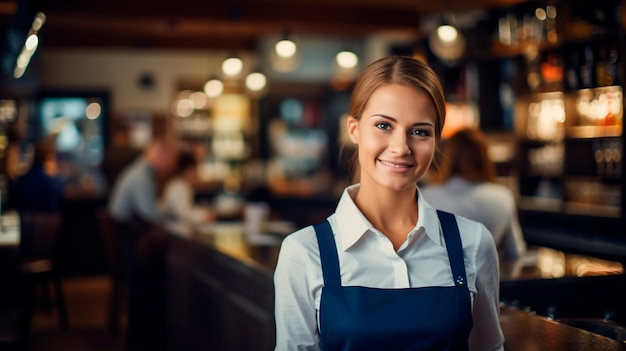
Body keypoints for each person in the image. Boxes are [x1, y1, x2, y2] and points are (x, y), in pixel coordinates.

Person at [273, 56, 504, 350]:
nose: (401, 147)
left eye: (420, 131)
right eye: (384, 125)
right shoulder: (304, 253)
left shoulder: (473, 242)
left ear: (436, 140)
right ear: (354, 130)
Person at [107, 139, 178, 351]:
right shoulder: (141, 177)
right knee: (163, 277)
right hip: (133, 253)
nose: (171, 166)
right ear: (160, 155)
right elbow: (151, 217)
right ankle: (154, 340)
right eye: (170, 160)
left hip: (130, 247)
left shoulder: (138, 172)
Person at [421, 127, 527, 262]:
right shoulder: (503, 197)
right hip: (486, 279)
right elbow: (515, 252)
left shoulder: (427, 196)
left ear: (448, 158)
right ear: (484, 158)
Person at [159, 149, 215, 236]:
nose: (197, 174)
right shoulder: (179, 187)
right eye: (195, 169)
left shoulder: (180, 185)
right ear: (189, 170)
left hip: (176, 235)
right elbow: (184, 214)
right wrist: (204, 216)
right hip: (177, 236)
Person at [15, 137, 64, 214]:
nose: (56, 164)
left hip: (25, 225)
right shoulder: (54, 185)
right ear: (49, 158)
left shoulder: (21, 181)